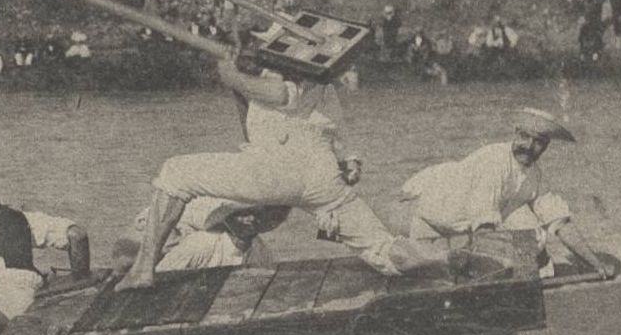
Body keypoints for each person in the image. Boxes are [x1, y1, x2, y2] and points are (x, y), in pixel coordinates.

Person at [122, 38, 416, 290]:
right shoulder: (324, 86)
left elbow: (280, 95)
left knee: (175, 172)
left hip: (278, 169)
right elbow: (308, 131)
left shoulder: (280, 75)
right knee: (382, 248)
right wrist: (350, 161)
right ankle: (440, 259)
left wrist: (230, 74)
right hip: (321, 178)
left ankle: (143, 269)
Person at [399, 109, 617, 278]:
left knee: (533, 240)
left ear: (547, 145)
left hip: (460, 228)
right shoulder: (494, 163)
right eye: (525, 137)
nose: (529, 146)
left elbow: (560, 224)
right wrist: (519, 265)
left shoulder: (534, 175)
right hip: (425, 216)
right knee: (433, 281)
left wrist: (596, 265)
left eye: (538, 141)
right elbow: (484, 231)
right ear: (515, 134)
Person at [153, 201, 289, 273]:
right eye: (242, 214)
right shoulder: (201, 243)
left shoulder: (261, 253)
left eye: (257, 215)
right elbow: (161, 276)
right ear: (226, 219)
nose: (250, 219)